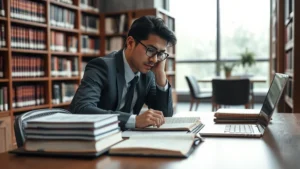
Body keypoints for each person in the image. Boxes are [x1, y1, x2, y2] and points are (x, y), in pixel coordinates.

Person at [70, 15, 177, 130]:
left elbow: (164, 116)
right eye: (150, 50)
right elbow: (82, 109)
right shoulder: (102, 67)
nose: (155, 60)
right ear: (130, 43)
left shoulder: (148, 74)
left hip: (125, 138)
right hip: (91, 138)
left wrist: (160, 75)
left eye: (160, 54)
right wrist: (133, 120)